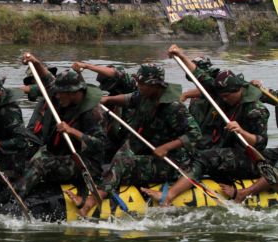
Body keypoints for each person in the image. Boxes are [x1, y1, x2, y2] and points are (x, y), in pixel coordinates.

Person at [76, 64, 202, 216]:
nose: (138, 86)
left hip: (170, 162)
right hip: (146, 151)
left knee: (122, 162)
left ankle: (92, 200)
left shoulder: (174, 107)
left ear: (156, 84)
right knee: (120, 154)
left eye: (143, 84)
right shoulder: (144, 96)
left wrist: (167, 147)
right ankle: (100, 188)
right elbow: (128, 99)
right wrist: (107, 99)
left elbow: (195, 134)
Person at [146, 69, 269, 206]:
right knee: (191, 151)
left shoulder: (256, 110)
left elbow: (261, 143)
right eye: (222, 96)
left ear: (238, 90)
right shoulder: (225, 99)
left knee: (205, 157)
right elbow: (203, 80)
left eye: (227, 96)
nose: (223, 99)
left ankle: (170, 195)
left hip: (246, 157)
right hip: (227, 148)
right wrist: (180, 56)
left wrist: (241, 131)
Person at [14, 69, 107, 200]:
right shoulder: (66, 101)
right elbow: (47, 81)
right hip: (64, 154)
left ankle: (14, 198)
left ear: (72, 93)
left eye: (60, 93)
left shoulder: (94, 113)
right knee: (30, 157)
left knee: (41, 163)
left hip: (86, 164)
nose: (57, 96)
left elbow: (100, 145)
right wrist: (34, 62)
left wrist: (72, 131)